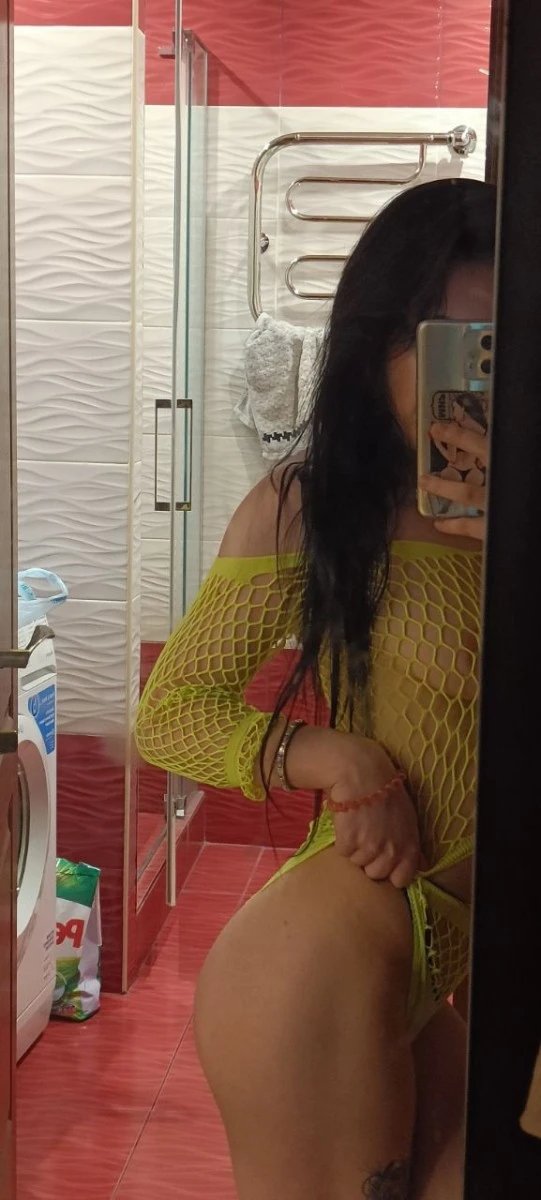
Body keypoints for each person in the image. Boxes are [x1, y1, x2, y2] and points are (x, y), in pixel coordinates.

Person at [135, 177, 495, 1200]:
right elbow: (172, 713)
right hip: (324, 956)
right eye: (450, 344)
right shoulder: (313, 507)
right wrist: (333, 757)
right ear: (380, 346)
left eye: (502, 344)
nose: (478, 378)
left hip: (442, 963)